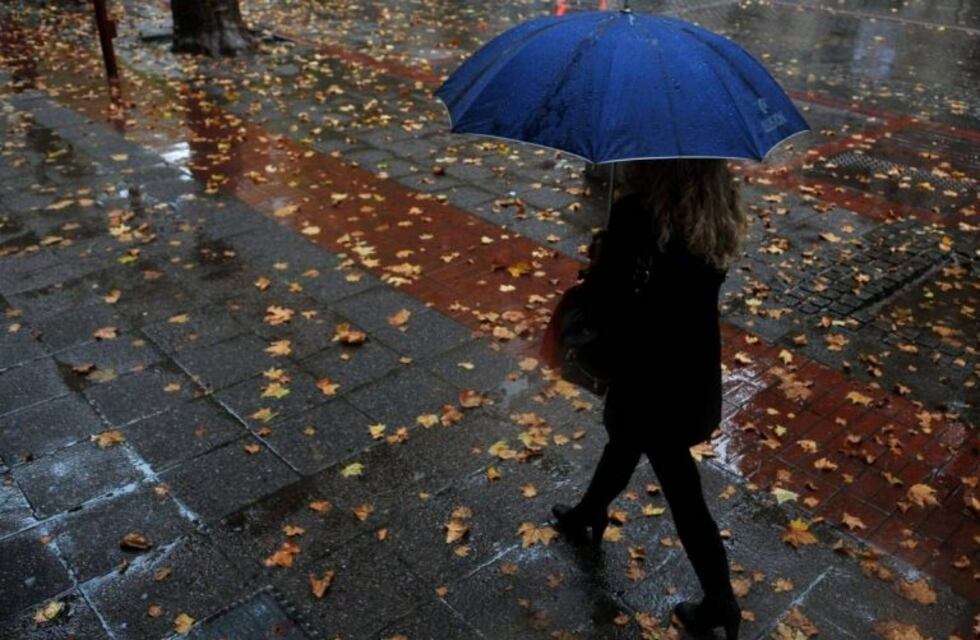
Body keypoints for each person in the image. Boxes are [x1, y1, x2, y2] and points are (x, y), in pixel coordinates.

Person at [551, 158, 748, 640]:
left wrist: (602, 257)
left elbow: (611, 300)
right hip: (692, 369)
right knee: (625, 441)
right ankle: (588, 513)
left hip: (648, 372)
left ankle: (720, 599)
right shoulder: (715, 209)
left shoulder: (638, 213)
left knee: (679, 484)